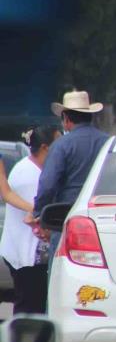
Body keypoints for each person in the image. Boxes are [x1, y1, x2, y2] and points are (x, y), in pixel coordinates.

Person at [33, 91, 110, 260]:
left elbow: (48, 184)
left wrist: (39, 213)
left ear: (66, 119)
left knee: (61, 271)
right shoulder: (109, 142)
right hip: (102, 216)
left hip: (67, 217)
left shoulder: (61, 145)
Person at [1, 127, 58, 322]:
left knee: (33, 306)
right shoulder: (30, 175)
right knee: (30, 309)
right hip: (27, 255)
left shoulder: (34, 168)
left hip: (27, 254)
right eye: (57, 145)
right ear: (44, 148)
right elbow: (9, 196)